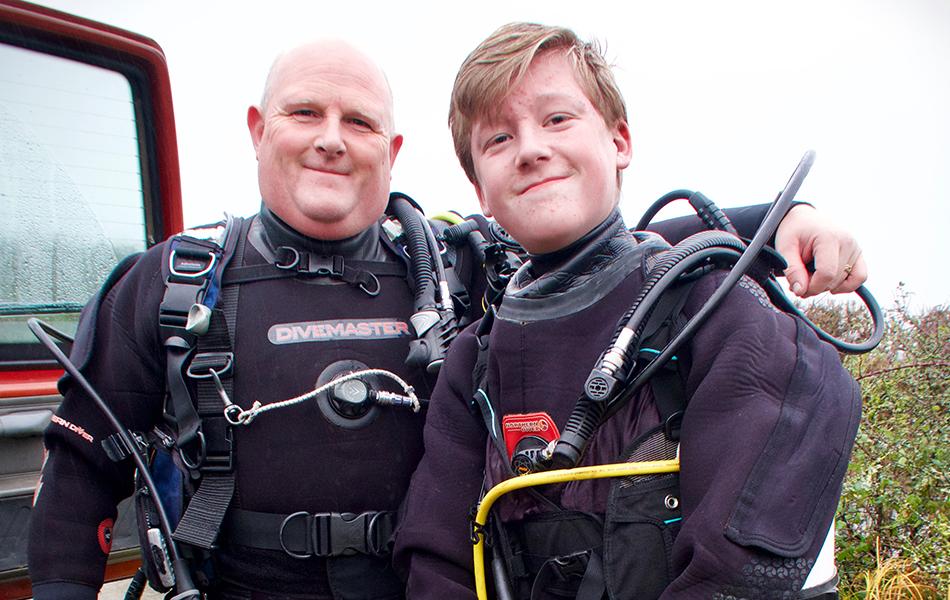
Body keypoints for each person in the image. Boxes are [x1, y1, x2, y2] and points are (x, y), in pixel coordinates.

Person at [27, 39, 861, 600]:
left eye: (358, 122)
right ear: (257, 129)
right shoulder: (171, 288)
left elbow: (606, 258)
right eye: (304, 113)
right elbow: (76, 481)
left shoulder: (460, 268)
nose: (330, 140)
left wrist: (776, 227)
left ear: (393, 151)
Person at [393, 23, 861, 599]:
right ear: (479, 191)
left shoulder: (715, 312)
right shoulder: (474, 361)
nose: (532, 149)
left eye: (557, 119)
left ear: (619, 142)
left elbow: (742, 566)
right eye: (498, 140)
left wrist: (790, 217)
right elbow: (435, 560)